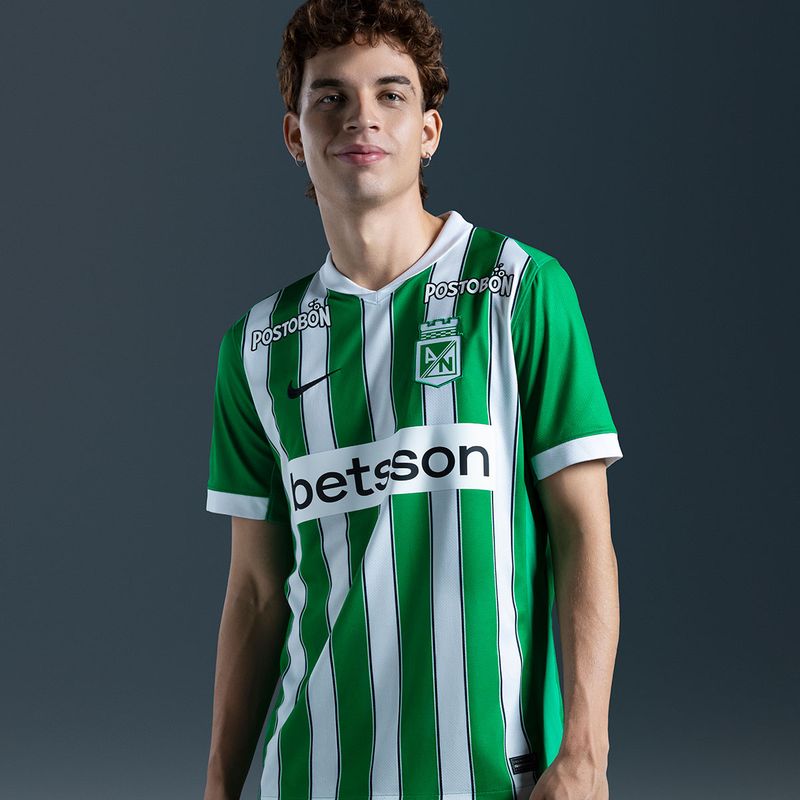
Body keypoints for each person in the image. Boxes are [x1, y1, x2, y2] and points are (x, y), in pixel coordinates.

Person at [202, 2, 624, 800]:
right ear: (294, 135)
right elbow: (255, 592)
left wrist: (586, 753)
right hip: (314, 776)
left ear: (429, 131)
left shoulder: (518, 289)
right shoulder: (257, 345)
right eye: (330, 96)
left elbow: (583, 536)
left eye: (390, 94)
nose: (360, 116)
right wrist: (221, 784)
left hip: (493, 778)